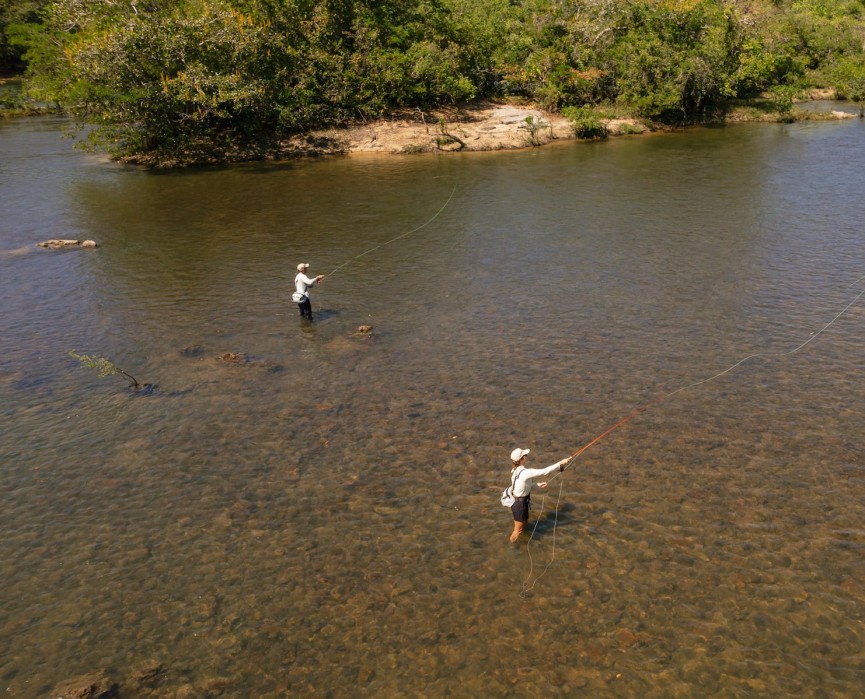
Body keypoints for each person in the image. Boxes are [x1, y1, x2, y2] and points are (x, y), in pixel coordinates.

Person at [507, 447, 570, 542]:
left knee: (525, 523)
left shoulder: (515, 470)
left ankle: (524, 535)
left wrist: (537, 485)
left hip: (520, 502)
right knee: (517, 531)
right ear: (522, 459)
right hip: (519, 505)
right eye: (525, 455)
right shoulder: (525, 472)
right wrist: (560, 463)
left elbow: (520, 484)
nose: (526, 456)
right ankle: (511, 546)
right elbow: (544, 471)